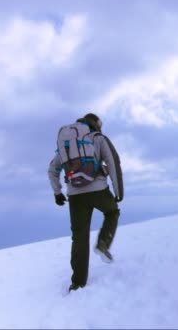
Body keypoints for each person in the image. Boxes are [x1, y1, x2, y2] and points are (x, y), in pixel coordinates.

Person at [47, 113, 124, 292]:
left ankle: (78, 282)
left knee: (80, 237)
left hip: (75, 195)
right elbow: (113, 162)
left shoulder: (66, 144)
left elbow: (52, 169)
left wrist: (57, 192)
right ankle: (103, 242)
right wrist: (118, 191)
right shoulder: (97, 138)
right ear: (95, 124)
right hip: (98, 190)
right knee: (112, 212)